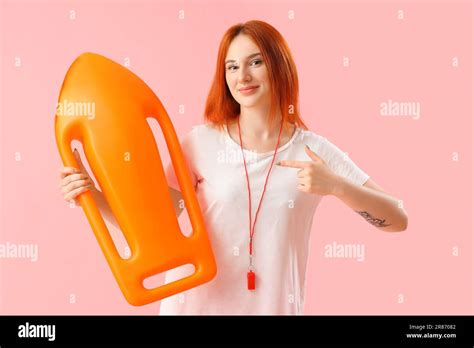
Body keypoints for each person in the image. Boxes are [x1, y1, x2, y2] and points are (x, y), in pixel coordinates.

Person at [58, 20, 408, 315]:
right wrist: (92, 195)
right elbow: (153, 226)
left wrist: (337, 187)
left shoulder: (314, 150)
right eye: (232, 66)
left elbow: (397, 218)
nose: (243, 76)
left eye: (255, 62)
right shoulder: (201, 143)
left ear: (278, 65)